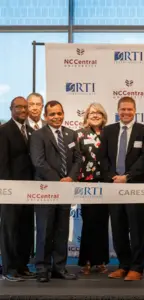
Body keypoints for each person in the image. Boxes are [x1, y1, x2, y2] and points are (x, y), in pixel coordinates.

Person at [100, 97, 144, 281]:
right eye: (123, 109)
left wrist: (127, 177)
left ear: (135, 110)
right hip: (113, 186)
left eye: (129, 109)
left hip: (135, 186)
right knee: (118, 227)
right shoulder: (108, 131)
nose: (126, 113)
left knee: (136, 227)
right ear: (118, 110)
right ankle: (123, 265)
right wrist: (112, 177)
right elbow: (103, 158)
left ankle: (137, 268)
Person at [30, 100, 82, 283]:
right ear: (46, 116)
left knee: (61, 230)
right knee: (44, 230)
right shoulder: (37, 135)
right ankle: (42, 269)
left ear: (63, 114)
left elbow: (78, 159)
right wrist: (59, 180)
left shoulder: (71, 134)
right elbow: (38, 162)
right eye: (52, 114)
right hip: (46, 189)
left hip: (65, 190)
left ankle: (59, 267)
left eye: (59, 113)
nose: (56, 117)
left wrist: (70, 178)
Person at [0, 96, 36, 281]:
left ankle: (22, 266)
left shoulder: (31, 131)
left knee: (25, 229)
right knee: (10, 231)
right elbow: (2, 163)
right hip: (10, 190)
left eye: (25, 107)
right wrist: (6, 189)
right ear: (11, 109)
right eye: (18, 107)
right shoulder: (4, 131)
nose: (22, 110)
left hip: (29, 191)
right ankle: (8, 269)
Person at [77, 103, 109, 275]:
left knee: (102, 222)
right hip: (87, 183)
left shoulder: (109, 133)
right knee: (89, 222)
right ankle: (86, 261)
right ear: (86, 116)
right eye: (92, 112)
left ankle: (101, 261)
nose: (95, 115)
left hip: (106, 183)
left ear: (103, 116)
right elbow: (75, 158)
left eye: (98, 112)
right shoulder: (79, 134)